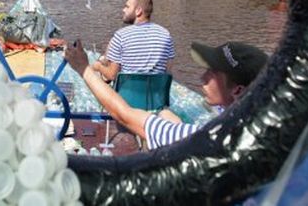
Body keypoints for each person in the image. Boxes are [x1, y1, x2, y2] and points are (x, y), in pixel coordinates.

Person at [65, 40, 268, 149]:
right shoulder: (259, 132)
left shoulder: (203, 139)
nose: (202, 77)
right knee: (168, 116)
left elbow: (123, 114)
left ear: (238, 90)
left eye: (212, 73)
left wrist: (84, 68)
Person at [93, 0, 175, 82]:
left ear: (138, 11)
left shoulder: (120, 36)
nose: (123, 10)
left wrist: (98, 66)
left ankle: (102, 61)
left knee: (100, 68)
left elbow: (112, 76)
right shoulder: (166, 34)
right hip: (156, 95)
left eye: (127, 7)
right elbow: (168, 73)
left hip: (125, 95)